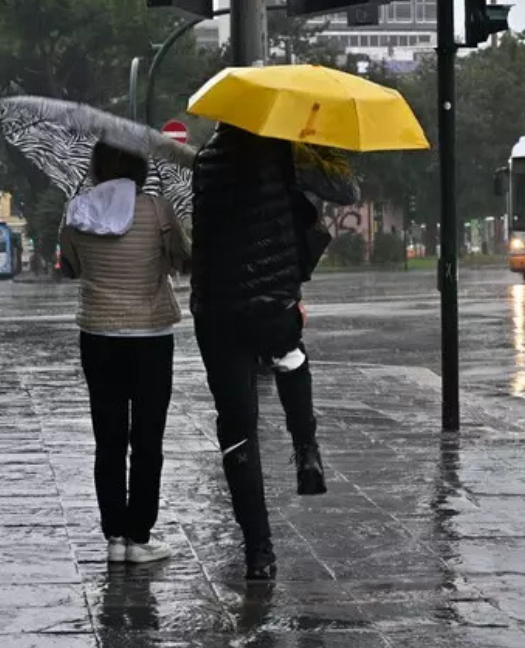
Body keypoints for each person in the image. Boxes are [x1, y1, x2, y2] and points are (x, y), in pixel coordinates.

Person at [190, 123, 358, 581]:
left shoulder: (206, 161)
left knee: (237, 428)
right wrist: (316, 140)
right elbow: (344, 189)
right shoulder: (285, 153)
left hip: (217, 311)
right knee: (291, 356)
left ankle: (258, 552)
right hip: (274, 304)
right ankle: (306, 447)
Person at [59, 141, 190, 565]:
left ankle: (114, 536)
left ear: (96, 168)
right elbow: (182, 260)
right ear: (140, 167)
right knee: (147, 438)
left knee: (108, 437)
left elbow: (72, 268)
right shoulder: (158, 211)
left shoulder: (77, 211)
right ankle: (139, 535)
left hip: (97, 335)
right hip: (150, 337)